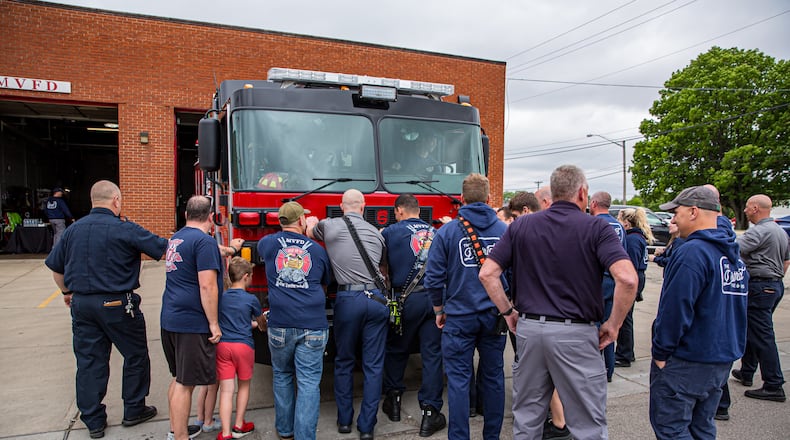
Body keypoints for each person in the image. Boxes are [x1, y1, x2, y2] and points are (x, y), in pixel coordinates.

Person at [479, 165, 638, 440]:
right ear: (582, 192)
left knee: (527, 419)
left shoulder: (523, 225)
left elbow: (487, 273)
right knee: (587, 423)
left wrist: (508, 311)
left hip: (530, 329)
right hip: (576, 333)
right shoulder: (596, 227)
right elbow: (627, 279)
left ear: (553, 194)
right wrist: (614, 325)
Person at [44, 180, 167, 439]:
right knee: (135, 355)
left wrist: (67, 293)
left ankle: (94, 421)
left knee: (90, 361)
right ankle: (134, 408)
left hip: (82, 305)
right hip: (118, 305)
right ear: (116, 201)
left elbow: (56, 268)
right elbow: (163, 248)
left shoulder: (72, 231)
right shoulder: (125, 229)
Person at [649, 185, 748, 439]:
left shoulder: (692, 253)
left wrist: (661, 352)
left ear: (693, 211)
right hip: (719, 359)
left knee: (672, 428)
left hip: (688, 359)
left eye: (676, 212)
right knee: (702, 426)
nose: (672, 219)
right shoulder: (731, 254)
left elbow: (675, 309)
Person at [423, 173, 508, 440]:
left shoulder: (447, 232)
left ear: (461, 199)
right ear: (489, 198)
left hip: (458, 317)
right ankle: (491, 435)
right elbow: (516, 275)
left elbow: (433, 278)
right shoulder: (505, 231)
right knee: (493, 378)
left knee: (459, 381)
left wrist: (438, 310)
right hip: (495, 317)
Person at [306, 189, 388, 440]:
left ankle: (344, 421)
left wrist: (310, 222)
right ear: (363, 207)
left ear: (342, 207)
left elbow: (310, 232)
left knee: (344, 360)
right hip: (376, 299)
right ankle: (367, 428)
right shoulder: (377, 233)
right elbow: (383, 269)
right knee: (373, 366)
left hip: (348, 299)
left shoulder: (329, 226)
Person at [161, 195, 244, 440]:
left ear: (186, 215)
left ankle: (177, 429)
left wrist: (230, 250)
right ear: (211, 218)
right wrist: (214, 324)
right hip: (192, 323)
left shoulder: (177, 238)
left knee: (178, 379)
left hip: (171, 318)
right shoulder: (204, 242)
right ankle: (180, 437)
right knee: (186, 384)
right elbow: (208, 286)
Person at [258, 201, 332, 440]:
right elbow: (325, 282)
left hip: (280, 323)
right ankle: (305, 436)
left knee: (282, 375)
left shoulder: (268, 244)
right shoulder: (318, 250)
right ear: (301, 220)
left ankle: (285, 430)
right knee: (309, 382)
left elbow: (262, 256)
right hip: (313, 324)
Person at [380, 194, 446, 437]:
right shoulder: (436, 232)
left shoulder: (389, 232)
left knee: (397, 350)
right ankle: (430, 413)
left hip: (405, 299)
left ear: (399, 210)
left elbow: (383, 268)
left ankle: (394, 402)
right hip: (434, 299)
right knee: (432, 355)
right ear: (418, 211)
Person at [732, 194, 789, 402]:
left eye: (747, 207)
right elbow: (786, 261)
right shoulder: (779, 231)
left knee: (763, 336)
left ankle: (773, 384)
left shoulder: (760, 231)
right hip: (774, 286)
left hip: (760, 286)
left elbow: (733, 250)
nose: (745, 211)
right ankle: (747, 371)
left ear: (755, 208)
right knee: (754, 331)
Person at [216, 257, 265, 440]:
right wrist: (260, 324)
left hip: (223, 347)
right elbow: (261, 324)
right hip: (243, 346)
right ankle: (239, 424)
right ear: (245, 277)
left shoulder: (221, 296)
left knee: (227, 390)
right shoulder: (251, 299)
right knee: (243, 386)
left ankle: (226, 433)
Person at [589, 191, 626, 383]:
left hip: (597, 283)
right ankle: (608, 370)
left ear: (594, 203)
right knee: (610, 328)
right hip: (614, 282)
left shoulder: (594, 225)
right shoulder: (619, 226)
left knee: (593, 329)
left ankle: (594, 371)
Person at [614, 207, 655, 368]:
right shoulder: (637, 238)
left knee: (624, 318)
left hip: (635, 278)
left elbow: (630, 264)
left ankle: (624, 354)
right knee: (626, 317)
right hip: (639, 277)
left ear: (627, 223)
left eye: (619, 219)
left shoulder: (632, 240)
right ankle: (627, 352)